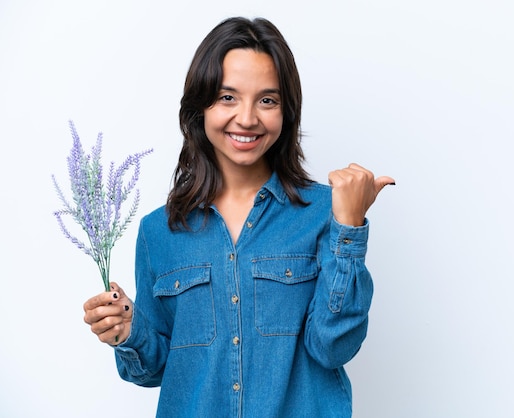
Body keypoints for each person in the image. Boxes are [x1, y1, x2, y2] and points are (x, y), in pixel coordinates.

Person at [83, 16, 394, 418]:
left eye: (267, 100)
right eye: (228, 97)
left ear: (287, 111)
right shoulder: (158, 232)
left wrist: (348, 229)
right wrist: (128, 332)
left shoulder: (324, 213)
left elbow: (333, 346)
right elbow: (157, 368)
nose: (247, 118)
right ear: (200, 106)